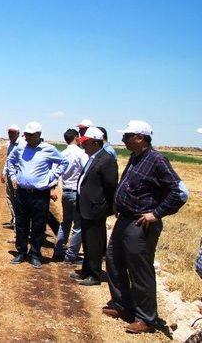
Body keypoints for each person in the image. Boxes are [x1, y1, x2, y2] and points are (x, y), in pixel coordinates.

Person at [104, 120, 186, 334]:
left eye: (127, 136)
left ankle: (146, 318)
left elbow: (178, 193)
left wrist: (156, 214)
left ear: (140, 138)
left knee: (140, 269)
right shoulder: (135, 157)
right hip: (125, 219)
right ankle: (123, 304)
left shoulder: (157, 160)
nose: (123, 139)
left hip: (140, 222)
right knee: (114, 259)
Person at [7, 121, 69, 269]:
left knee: (38, 225)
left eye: (30, 135)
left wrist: (52, 176)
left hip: (40, 194)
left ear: (39, 135)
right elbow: (10, 160)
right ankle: (21, 252)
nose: (26, 137)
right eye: (26, 134)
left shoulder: (49, 149)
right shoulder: (20, 148)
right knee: (21, 223)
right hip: (22, 192)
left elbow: (64, 162)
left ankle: (35, 254)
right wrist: (13, 176)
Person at [69, 127, 118, 286]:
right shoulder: (93, 157)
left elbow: (111, 187)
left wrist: (107, 207)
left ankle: (94, 275)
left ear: (95, 143)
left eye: (86, 143)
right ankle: (86, 271)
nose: (83, 146)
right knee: (87, 242)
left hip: (96, 209)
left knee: (94, 243)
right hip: (87, 207)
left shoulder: (106, 159)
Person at [53, 129, 88, 264]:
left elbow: (57, 173)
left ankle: (58, 251)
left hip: (66, 192)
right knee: (78, 226)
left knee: (65, 222)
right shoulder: (81, 154)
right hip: (77, 192)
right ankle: (71, 255)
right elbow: (87, 170)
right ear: (76, 138)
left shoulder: (62, 154)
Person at [1, 125, 22, 229]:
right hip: (10, 174)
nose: (10, 134)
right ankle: (14, 219)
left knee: (18, 198)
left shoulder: (22, 144)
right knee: (10, 198)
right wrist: (4, 172)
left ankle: (19, 222)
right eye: (9, 132)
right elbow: (9, 160)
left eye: (12, 132)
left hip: (17, 176)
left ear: (18, 133)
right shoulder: (9, 144)